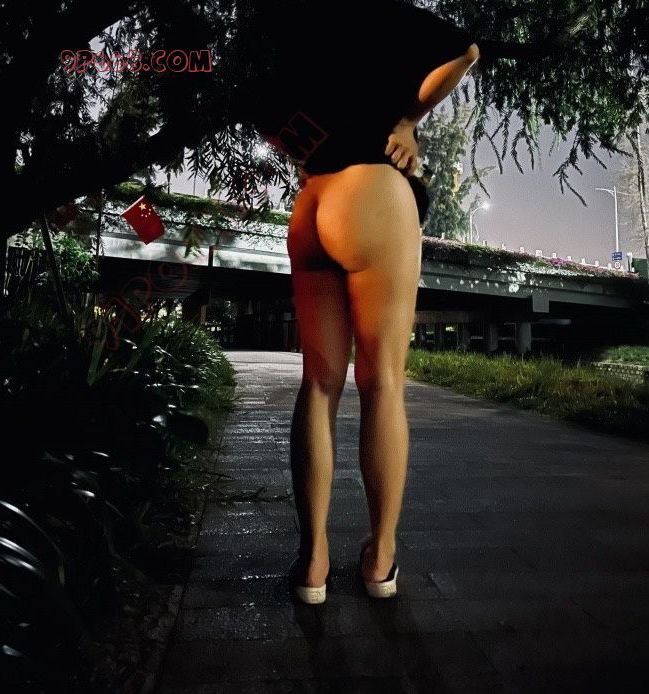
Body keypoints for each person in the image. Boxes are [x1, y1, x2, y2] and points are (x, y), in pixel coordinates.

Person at [238, 0, 479, 603]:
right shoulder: (380, 12)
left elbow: (254, 105)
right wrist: (407, 120)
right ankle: (379, 559)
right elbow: (466, 51)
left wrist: (308, 150)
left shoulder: (279, 22)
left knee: (318, 385)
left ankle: (312, 561)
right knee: (384, 383)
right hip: (374, 194)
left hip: (312, 203)